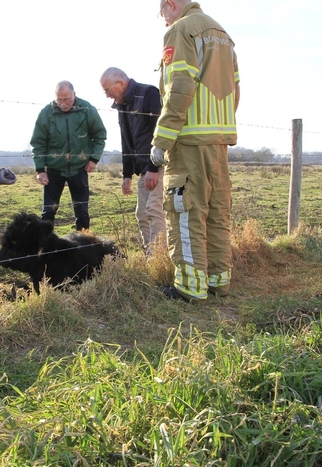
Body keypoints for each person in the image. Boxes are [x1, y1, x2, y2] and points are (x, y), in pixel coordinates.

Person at [151, 0, 240, 301]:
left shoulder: (181, 30)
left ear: (170, 4)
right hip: (219, 141)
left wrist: (162, 139)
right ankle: (218, 282)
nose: (162, 19)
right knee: (216, 214)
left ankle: (189, 287)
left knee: (186, 213)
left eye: (161, 12)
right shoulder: (223, 34)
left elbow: (180, 87)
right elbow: (236, 89)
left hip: (188, 140)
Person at [100, 67, 166, 254]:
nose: (107, 96)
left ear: (120, 83)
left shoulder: (148, 94)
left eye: (107, 90)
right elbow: (126, 140)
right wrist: (127, 174)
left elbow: (160, 134)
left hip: (158, 166)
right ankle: (150, 256)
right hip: (144, 169)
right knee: (142, 215)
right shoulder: (123, 105)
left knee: (154, 210)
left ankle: (159, 259)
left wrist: (154, 167)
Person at [31, 81, 107, 231]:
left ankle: (82, 246)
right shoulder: (46, 113)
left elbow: (99, 135)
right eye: (59, 99)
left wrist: (93, 159)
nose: (63, 103)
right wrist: (40, 170)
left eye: (67, 99)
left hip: (79, 168)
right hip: (54, 170)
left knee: (82, 213)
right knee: (48, 213)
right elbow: (38, 143)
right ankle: (45, 250)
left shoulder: (87, 110)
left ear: (74, 95)